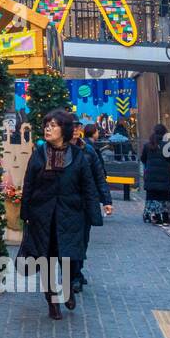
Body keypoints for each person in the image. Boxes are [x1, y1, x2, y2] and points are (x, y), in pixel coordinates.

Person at [17, 110, 98, 320]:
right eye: (46, 125)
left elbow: (87, 186)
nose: (48, 128)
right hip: (42, 217)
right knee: (47, 260)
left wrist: (94, 213)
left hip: (70, 216)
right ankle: (52, 301)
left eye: (53, 125)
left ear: (64, 129)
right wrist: (25, 212)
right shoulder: (39, 154)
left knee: (70, 259)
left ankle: (68, 288)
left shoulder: (78, 156)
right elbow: (29, 184)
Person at [76, 124, 113, 290]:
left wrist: (107, 201)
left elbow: (99, 176)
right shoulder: (60, 151)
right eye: (72, 127)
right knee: (69, 240)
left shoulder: (88, 150)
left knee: (83, 238)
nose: (75, 130)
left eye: (78, 127)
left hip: (85, 202)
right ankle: (74, 275)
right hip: (67, 203)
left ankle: (77, 270)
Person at [140, 123, 170, 225]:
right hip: (165, 177)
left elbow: (142, 159)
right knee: (165, 197)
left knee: (152, 196)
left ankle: (153, 215)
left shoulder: (148, 145)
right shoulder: (169, 145)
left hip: (151, 177)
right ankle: (165, 217)